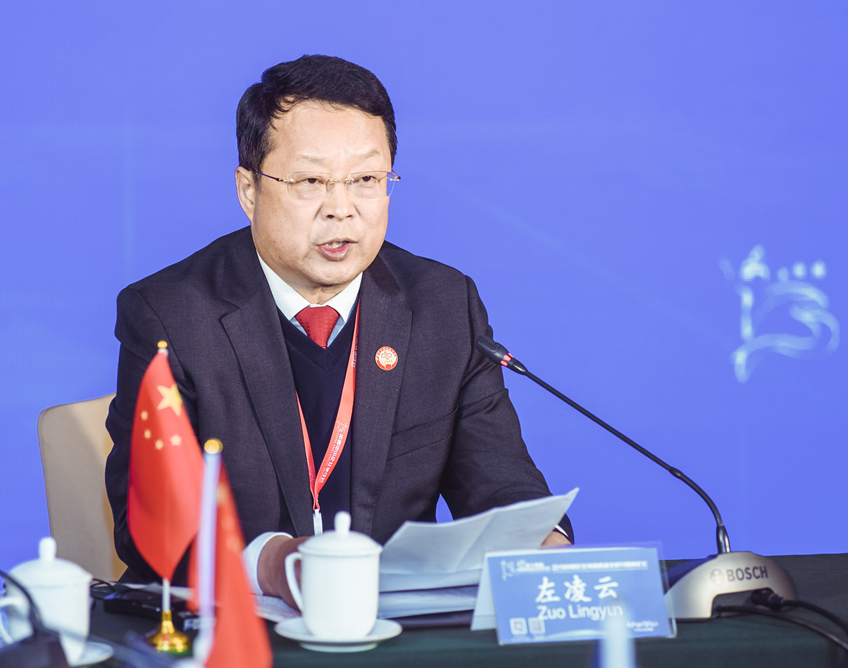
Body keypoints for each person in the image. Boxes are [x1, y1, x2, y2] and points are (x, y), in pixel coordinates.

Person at [105, 55, 571, 606]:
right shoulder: (171, 316)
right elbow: (152, 524)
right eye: (310, 181)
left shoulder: (443, 306)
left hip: (392, 628)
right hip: (238, 625)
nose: (342, 210)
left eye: (366, 180)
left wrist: (543, 543)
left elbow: (501, 483)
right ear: (249, 190)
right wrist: (273, 564)